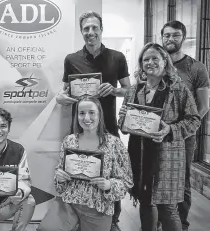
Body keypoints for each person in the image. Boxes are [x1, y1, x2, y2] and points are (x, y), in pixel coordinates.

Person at [55, 11, 131, 231]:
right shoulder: (71, 59)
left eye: (94, 28)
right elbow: (63, 94)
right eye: (86, 29)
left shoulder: (117, 57)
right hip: (80, 128)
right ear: (82, 32)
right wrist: (62, 99)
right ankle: (78, 217)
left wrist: (115, 90)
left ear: (101, 29)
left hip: (108, 129)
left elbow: (129, 91)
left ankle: (112, 221)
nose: (90, 32)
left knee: (111, 176)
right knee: (80, 171)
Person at [118, 43, 201, 231]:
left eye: (155, 58)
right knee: (146, 203)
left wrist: (170, 129)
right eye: (146, 59)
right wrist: (123, 118)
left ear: (165, 61)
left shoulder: (178, 89)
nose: (150, 62)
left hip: (168, 158)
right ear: (141, 64)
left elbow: (194, 120)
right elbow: (123, 128)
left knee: (168, 209)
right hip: (139, 156)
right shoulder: (133, 90)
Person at [37, 97, 133, 231]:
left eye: (92, 112)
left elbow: (127, 182)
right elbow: (60, 183)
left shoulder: (114, 144)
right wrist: (59, 178)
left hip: (98, 209)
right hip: (68, 205)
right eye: (81, 113)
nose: (86, 118)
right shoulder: (69, 141)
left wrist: (109, 184)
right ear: (77, 116)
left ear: (100, 114)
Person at [161, 20, 210, 231]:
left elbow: (204, 105)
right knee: (158, 178)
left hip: (183, 137)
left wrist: (184, 129)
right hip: (157, 135)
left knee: (182, 181)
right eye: (166, 35)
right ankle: (158, 222)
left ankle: (181, 225)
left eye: (175, 35)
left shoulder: (196, 67)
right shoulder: (156, 64)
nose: (170, 39)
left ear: (183, 38)